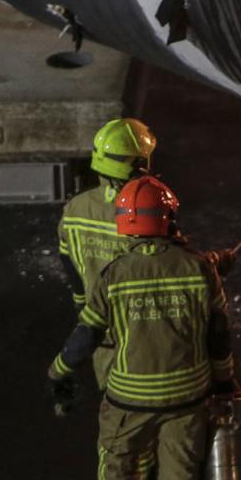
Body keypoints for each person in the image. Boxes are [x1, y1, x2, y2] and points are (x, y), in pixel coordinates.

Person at [47, 176, 234, 480]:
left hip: (129, 400)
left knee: (118, 465)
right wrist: (224, 379)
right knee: (180, 469)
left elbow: (87, 334)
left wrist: (58, 370)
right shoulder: (199, 268)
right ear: (169, 219)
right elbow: (218, 334)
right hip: (189, 395)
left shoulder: (114, 275)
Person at [58, 118, 157, 386]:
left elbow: (69, 264)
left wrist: (83, 305)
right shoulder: (148, 214)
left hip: (100, 331)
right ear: (140, 165)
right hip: (146, 328)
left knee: (113, 400)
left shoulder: (75, 209)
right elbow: (168, 265)